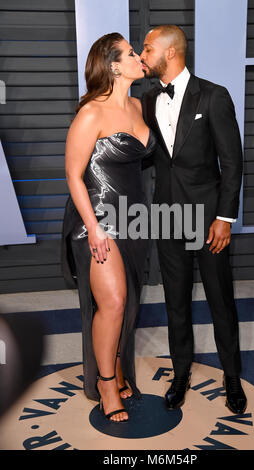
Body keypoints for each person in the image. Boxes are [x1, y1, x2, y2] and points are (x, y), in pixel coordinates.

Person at [140, 25, 247, 414]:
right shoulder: (149, 99)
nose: (142, 54)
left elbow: (232, 163)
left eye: (148, 48)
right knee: (176, 302)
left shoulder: (214, 96)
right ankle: (181, 373)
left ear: (170, 53)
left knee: (221, 301)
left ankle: (231, 377)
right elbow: (152, 155)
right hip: (168, 216)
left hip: (207, 219)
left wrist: (223, 218)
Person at [61, 33, 156, 422]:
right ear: (114, 65)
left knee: (128, 303)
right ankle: (104, 382)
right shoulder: (92, 113)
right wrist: (94, 228)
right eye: (132, 53)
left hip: (136, 219)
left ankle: (117, 366)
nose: (139, 57)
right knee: (113, 302)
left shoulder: (137, 105)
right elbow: (72, 174)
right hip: (97, 220)